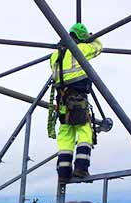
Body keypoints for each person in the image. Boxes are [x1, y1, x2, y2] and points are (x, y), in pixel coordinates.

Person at [50, 23, 102, 183]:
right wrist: (91, 38)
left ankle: (63, 173)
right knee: (84, 131)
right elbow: (98, 47)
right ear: (80, 37)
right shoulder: (79, 49)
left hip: (62, 101)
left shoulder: (54, 55)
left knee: (65, 135)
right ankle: (81, 168)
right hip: (77, 99)